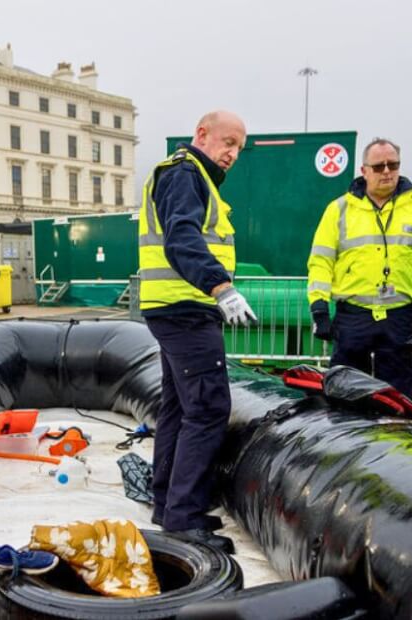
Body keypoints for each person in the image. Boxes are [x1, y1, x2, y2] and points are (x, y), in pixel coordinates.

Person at [138, 110, 257, 554]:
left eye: (238, 149)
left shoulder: (186, 176)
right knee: (208, 408)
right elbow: (181, 238)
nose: (232, 154)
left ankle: (168, 502)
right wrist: (221, 287)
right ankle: (184, 518)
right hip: (187, 310)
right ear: (201, 135)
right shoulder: (187, 174)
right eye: (227, 143)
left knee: (178, 406)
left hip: (173, 309)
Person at [307, 138, 412, 400]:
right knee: (344, 391)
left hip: (399, 317)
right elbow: (321, 261)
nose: (387, 172)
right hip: (353, 316)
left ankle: (396, 439)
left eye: (393, 165)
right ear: (364, 171)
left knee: (398, 394)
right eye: (379, 166)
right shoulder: (339, 210)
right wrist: (319, 308)